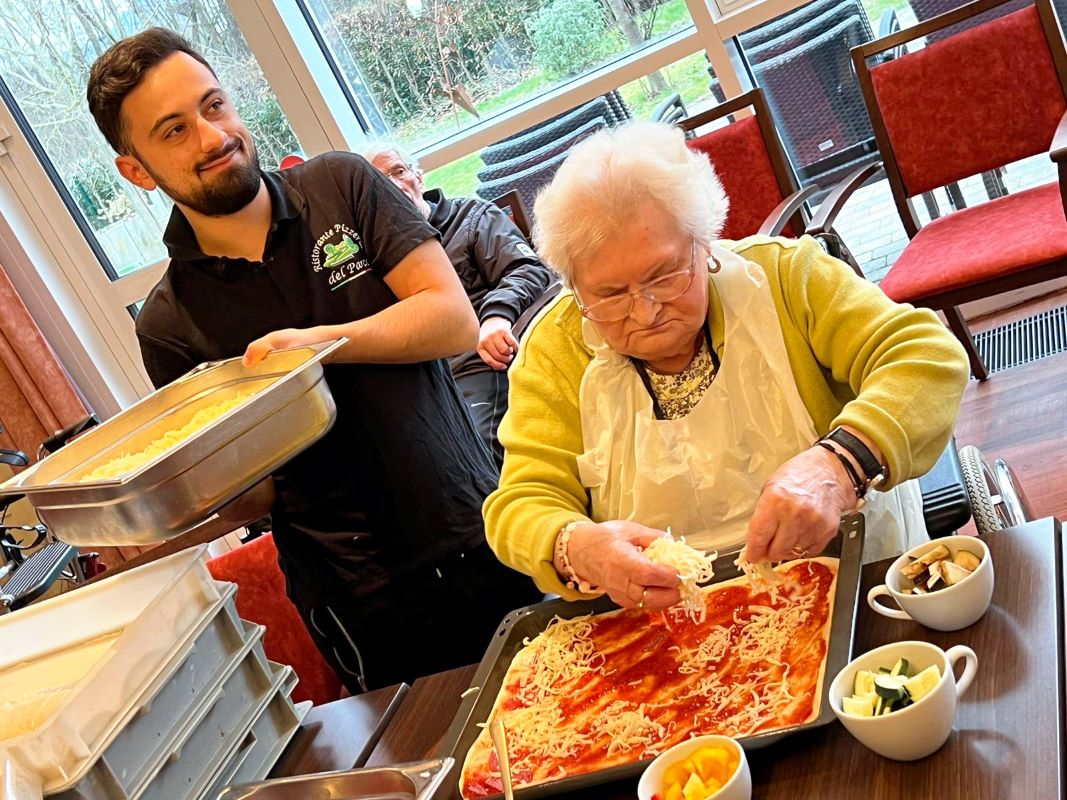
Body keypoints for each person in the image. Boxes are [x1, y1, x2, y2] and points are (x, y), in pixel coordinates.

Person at [86, 28, 541, 692]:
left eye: (214, 107)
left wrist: (315, 348)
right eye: (174, 131)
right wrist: (167, 499)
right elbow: (257, 494)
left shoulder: (342, 187)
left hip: (482, 527)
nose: (212, 138)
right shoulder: (168, 320)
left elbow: (451, 319)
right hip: (361, 602)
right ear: (135, 169)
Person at [483, 121, 970, 612]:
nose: (646, 310)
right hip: (665, 623)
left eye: (665, 274)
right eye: (610, 295)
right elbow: (519, 502)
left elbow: (927, 355)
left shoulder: (784, 277)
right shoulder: (556, 350)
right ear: (575, 288)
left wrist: (840, 463)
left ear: (704, 242)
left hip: (855, 577)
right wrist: (574, 546)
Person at [363, 143, 554, 468]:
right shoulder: (375, 261)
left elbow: (528, 269)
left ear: (417, 177)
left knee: (471, 452)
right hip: (420, 386)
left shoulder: (472, 217)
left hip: (478, 363)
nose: (394, 185)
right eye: (380, 182)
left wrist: (496, 316)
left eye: (398, 171)